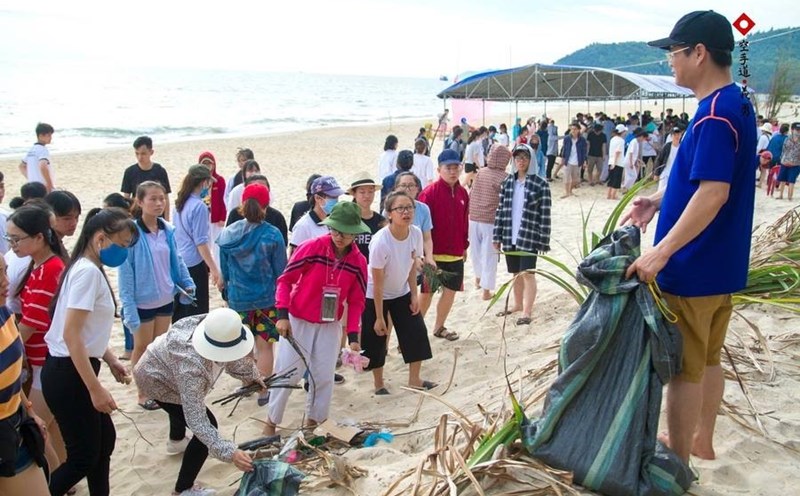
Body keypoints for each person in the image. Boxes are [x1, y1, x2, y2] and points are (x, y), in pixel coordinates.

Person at [623, 10, 757, 464]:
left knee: (684, 369)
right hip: (722, 265)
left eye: (674, 52)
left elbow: (714, 194)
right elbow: (707, 181)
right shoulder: (738, 103)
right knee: (709, 359)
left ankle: (679, 461)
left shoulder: (714, 115)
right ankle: (702, 440)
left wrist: (661, 252)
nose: (670, 62)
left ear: (699, 53)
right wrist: (659, 201)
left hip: (694, 267)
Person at [42, 207, 137, 495]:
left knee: (103, 443)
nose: (124, 252)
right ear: (100, 239)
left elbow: (84, 330)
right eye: (121, 244)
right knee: (82, 457)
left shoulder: (87, 267)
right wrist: (95, 389)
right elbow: (71, 335)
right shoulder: (87, 272)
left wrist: (109, 359)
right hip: (68, 373)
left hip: (73, 368)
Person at [263, 202, 368, 436]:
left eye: (345, 232)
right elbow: (285, 280)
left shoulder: (359, 262)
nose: (339, 236)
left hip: (330, 325)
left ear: (355, 233)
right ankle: (271, 423)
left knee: (323, 376)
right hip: (298, 319)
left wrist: (353, 336)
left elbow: (357, 301)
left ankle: (314, 423)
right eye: (335, 230)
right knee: (287, 373)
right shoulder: (312, 247)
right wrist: (282, 315)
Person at [134, 309, 261, 496]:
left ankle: (176, 440)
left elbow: (229, 357)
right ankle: (182, 489)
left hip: (164, 366)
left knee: (181, 406)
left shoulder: (216, 328)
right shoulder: (191, 370)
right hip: (155, 379)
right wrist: (230, 452)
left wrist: (253, 377)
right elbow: (198, 422)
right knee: (207, 426)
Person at [119, 181, 195, 410]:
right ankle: (143, 393)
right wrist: (129, 307)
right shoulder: (131, 233)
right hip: (142, 301)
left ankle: (157, 388)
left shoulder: (167, 229)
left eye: (161, 198)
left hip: (165, 297)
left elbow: (177, 259)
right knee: (142, 347)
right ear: (140, 201)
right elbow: (125, 273)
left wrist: (187, 283)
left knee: (158, 347)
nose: (159, 203)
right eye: (152, 198)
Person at [6, 203, 69, 473]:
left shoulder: (50, 269)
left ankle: (57, 480)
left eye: (16, 239)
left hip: (46, 362)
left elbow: (30, 324)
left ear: (40, 237)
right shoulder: (39, 266)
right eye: (9, 238)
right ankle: (64, 476)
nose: (12, 245)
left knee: (36, 427)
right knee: (51, 428)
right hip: (44, 360)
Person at [218, 183, 287, 407]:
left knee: (244, 346)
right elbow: (281, 270)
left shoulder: (228, 234)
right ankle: (263, 389)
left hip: (239, 299)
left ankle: (248, 383)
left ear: (243, 204)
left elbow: (225, 271)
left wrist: (226, 291)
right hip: (267, 299)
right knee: (265, 346)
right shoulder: (272, 234)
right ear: (266, 206)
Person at [361, 191, 435, 395]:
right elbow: (377, 283)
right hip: (375, 295)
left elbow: (411, 265)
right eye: (400, 208)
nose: (406, 212)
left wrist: (413, 294)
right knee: (376, 338)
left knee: (416, 331)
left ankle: (414, 379)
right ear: (389, 213)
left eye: (409, 207)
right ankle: (379, 383)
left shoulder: (415, 233)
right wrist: (379, 317)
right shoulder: (381, 241)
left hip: (402, 291)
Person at [0, 255, 50, 495]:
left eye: (5, 271)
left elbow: (11, 375)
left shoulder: (4, 313)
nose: (5, 281)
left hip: (14, 425)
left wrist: (30, 411)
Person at [492, 145, 552, 326]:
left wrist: (543, 241)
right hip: (509, 234)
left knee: (528, 273)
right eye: (518, 158)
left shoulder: (540, 184)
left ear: (531, 159)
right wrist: (497, 236)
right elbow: (500, 211)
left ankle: (527, 311)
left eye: (525, 157)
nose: (521, 161)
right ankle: (517, 304)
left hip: (529, 235)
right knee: (515, 273)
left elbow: (545, 215)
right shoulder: (507, 182)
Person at [418, 149, 469, 342]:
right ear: (439, 169)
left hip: (455, 253)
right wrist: (424, 253)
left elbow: (464, 221)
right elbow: (421, 226)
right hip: (433, 254)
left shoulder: (463, 193)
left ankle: (439, 327)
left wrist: (464, 245)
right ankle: (414, 332)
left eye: (456, 167)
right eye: (448, 168)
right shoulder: (428, 193)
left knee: (450, 292)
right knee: (426, 293)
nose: (453, 171)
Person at [172, 165, 222, 321]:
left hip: (180, 261)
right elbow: (201, 243)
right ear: (203, 182)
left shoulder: (179, 204)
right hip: (194, 263)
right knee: (196, 312)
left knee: (181, 311)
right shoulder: (199, 206)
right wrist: (214, 269)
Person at [469, 146, 512, 300]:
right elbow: (507, 202)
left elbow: (472, 192)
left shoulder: (481, 172)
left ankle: (478, 278)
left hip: (474, 217)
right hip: (491, 221)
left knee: (475, 252)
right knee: (489, 256)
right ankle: (486, 291)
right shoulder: (506, 177)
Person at [226, 174, 288, 246]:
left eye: (262, 189)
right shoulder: (235, 214)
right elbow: (228, 241)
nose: (257, 192)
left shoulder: (276, 216)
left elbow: (283, 244)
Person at [289, 176, 344, 255]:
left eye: (337, 197)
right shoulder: (303, 227)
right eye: (332, 197)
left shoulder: (334, 222)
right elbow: (294, 257)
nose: (336, 201)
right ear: (318, 198)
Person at [121, 136, 172, 221]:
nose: (140, 157)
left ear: (151, 152)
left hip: (158, 217)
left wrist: (167, 220)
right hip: (137, 217)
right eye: (137, 153)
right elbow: (126, 198)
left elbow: (165, 197)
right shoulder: (129, 172)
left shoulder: (160, 170)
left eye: (143, 154)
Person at [393, 172, 435, 267]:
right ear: (396, 189)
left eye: (411, 185)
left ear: (417, 189)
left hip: (418, 260)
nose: (407, 189)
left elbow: (427, 238)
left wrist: (429, 257)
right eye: (403, 185)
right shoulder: (389, 209)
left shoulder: (424, 209)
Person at [197, 152, 227, 267]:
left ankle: (218, 268)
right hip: (201, 217)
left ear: (214, 164)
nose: (207, 166)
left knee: (217, 244)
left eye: (209, 163)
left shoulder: (219, 180)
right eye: (204, 164)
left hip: (215, 217)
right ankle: (206, 268)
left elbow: (223, 199)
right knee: (204, 243)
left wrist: (222, 217)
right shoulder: (196, 181)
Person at [349, 175, 385, 261]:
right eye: (362, 192)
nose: (367, 195)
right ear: (354, 194)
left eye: (370, 192)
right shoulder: (347, 219)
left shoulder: (382, 221)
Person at [18, 123, 55, 193]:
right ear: (41, 136)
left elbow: (21, 166)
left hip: (33, 186)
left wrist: (31, 178)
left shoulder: (31, 150)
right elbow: (43, 166)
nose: (51, 138)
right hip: (43, 186)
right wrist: (49, 184)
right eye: (48, 135)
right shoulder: (43, 149)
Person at [560, 123, 587, 198]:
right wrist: (563, 159)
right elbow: (564, 149)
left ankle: (570, 191)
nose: (573, 131)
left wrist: (585, 161)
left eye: (575, 129)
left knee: (575, 180)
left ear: (578, 130)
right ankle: (567, 192)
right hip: (568, 160)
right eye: (572, 129)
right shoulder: (567, 138)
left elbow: (584, 151)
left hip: (577, 161)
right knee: (566, 178)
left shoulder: (582, 140)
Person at [654, 126, 685, 193]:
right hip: (665, 173)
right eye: (674, 134)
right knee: (660, 192)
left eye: (678, 134)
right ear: (671, 136)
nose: (677, 136)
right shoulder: (667, 146)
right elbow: (659, 159)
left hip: (676, 173)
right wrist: (656, 173)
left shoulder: (682, 147)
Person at [776, 122, 800, 201]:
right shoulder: (787, 138)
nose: (798, 132)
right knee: (783, 179)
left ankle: (790, 197)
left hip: (795, 163)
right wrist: (782, 159)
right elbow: (784, 149)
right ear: (792, 130)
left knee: (791, 181)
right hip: (785, 162)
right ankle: (781, 195)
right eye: (797, 130)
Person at [622, 128, 647, 192]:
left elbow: (634, 154)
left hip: (630, 161)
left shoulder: (636, 142)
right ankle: (625, 187)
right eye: (644, 138)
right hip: (629, 161)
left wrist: (638, 160)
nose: (643, 140)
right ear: (641, 136)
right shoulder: (634, 142)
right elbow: (631, 152)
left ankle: (626, 188)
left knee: (629, 176)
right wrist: (631, 163)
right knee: (634, 176)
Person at [606, 125, 627, 199]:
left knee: (611, 179)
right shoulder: (621, 141)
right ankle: (613, 195)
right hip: (618, 162)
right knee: (616, 180)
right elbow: (617, 152)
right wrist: (614, 163)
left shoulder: (613, 139)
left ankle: (609, 195)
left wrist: (613, 162)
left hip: (611, 161)